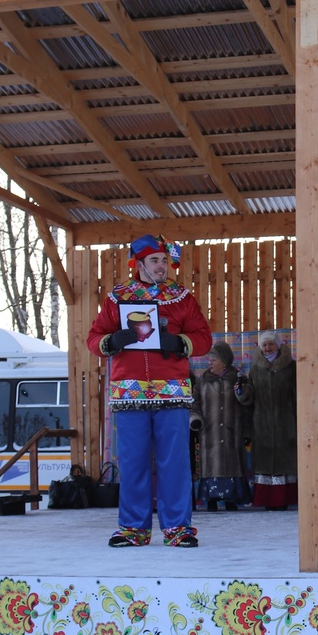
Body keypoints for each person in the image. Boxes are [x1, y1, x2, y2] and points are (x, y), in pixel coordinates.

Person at [87, 234, 212, 548]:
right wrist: (112, 341)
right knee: (132, 462)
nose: (161, 266)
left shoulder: (181, 297)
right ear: (138, 263)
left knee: (175, 463)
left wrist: (181, 342)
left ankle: (178, 528)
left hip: (172, 392)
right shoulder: (117, 298)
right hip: (130, 393)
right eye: (155, 260)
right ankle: (133, 528)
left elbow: (204, 338)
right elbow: (94, 338)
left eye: (164, 261)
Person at [236, 331, 298, 511]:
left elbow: (297, 392)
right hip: (261, 421)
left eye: (270, 344)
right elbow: (250, 393)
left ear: (278, 345)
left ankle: (284, 499)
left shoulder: (291, 366)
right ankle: (267, 500)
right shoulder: (256, 367)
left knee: (285, 458)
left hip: (286, 420)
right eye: (264, 345)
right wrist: (241, 391)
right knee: (264, 459)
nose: (267, 347)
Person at [190, 341, 251, 511]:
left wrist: (242, 392)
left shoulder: (238, 379)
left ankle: (232, 500)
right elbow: (194, 403)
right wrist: (195, 419)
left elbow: (248, 402)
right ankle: (212, 501)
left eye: (214, 359)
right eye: (210, 359)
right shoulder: (202, 381)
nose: (210, 362)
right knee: (211, 465)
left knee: (233, 464)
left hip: (233, 432)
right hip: (210, 433)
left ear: (224, 361)